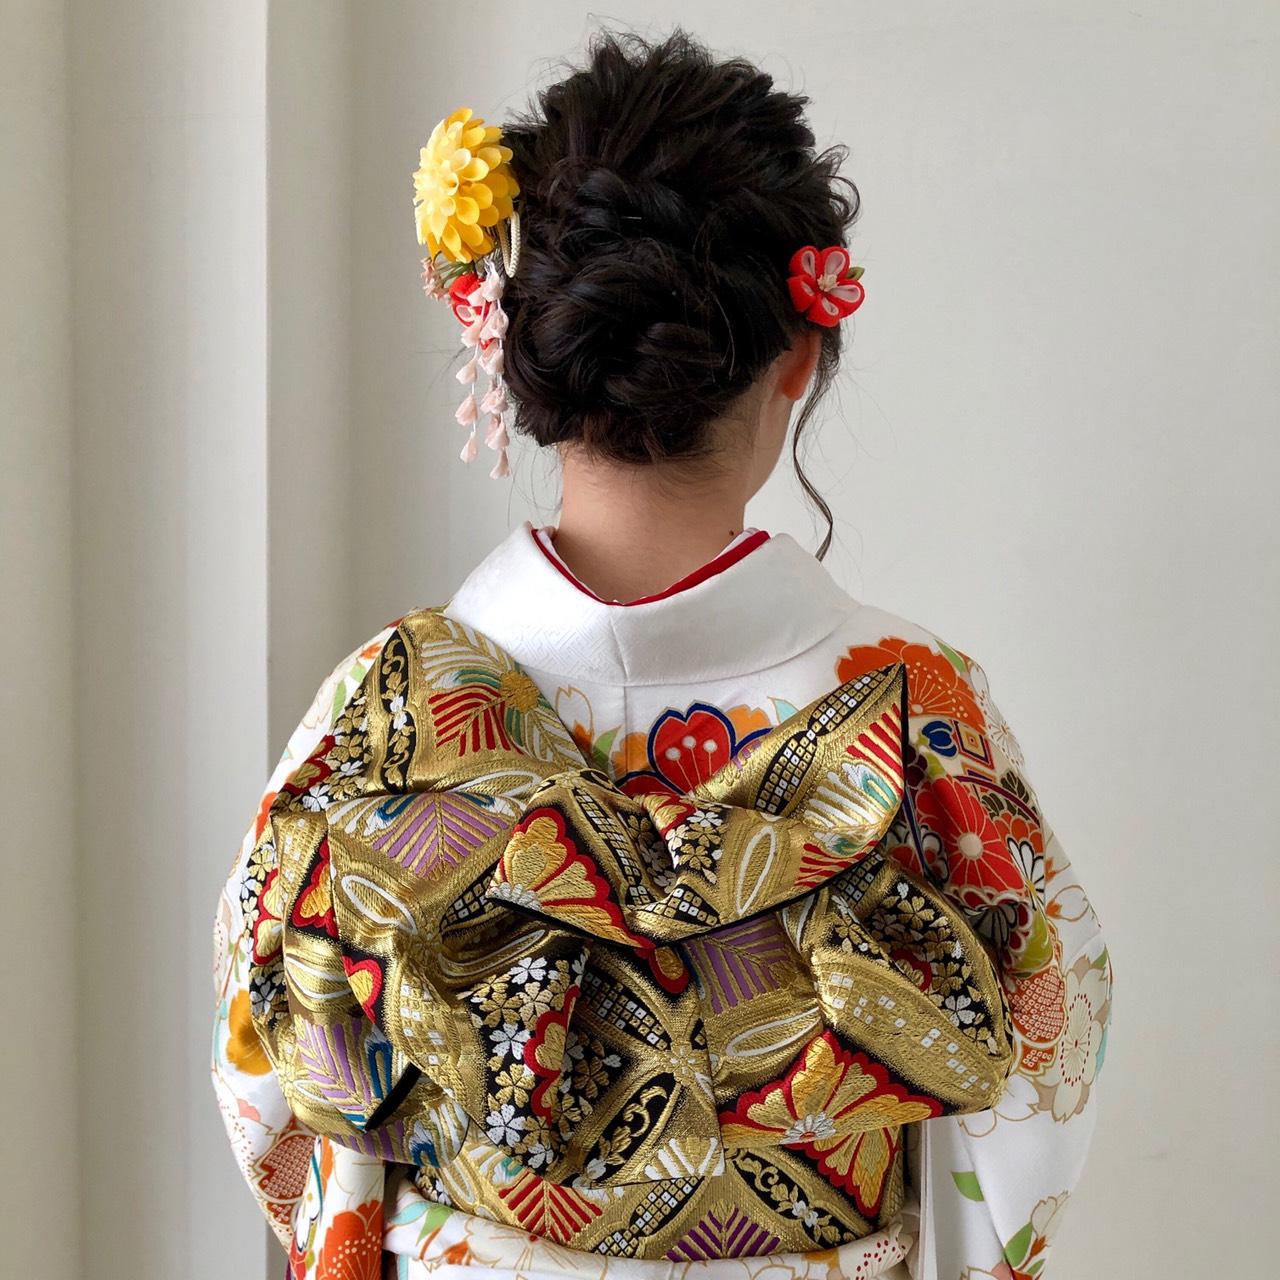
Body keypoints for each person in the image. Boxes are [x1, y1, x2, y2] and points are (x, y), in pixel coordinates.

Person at [212, 29, 1111, 1280]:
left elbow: (270, 1075)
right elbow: (1036, 1070)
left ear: (510, 340)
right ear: (796, 353)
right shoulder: (915, 705)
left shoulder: (381, 704)